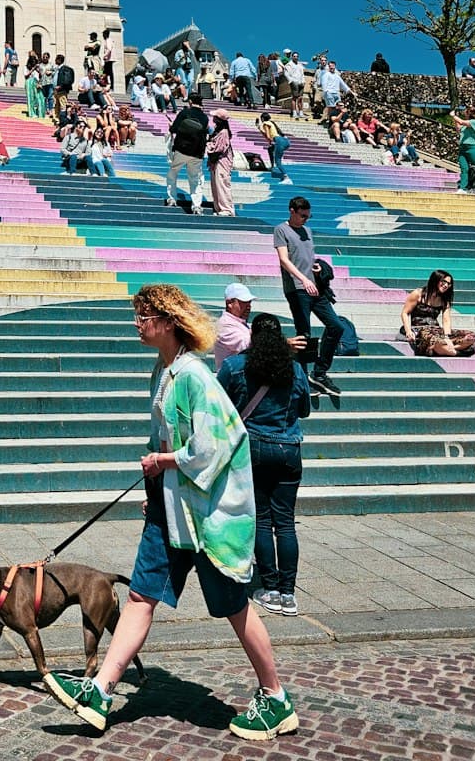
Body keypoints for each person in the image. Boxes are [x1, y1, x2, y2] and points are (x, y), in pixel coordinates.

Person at [43, 285, 298, 741]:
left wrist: (163, 463)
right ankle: (100, 691)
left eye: (144, 316)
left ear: (167, 322)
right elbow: (162, 435)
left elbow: (214, 444)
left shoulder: (195, 376)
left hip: (205, 518)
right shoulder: (163, 371)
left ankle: (275, 697)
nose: (137, 324)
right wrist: (157, 485)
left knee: (235, 606)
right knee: (141, 596)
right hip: (171, 510)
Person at [218, 314, 312, 618]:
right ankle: (288, 593)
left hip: (253, 448)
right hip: (289, 449)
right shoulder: (295, 369)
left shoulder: (235, 366)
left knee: (260, 519)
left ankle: (269, 588)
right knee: (285, 522)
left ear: (252, 336)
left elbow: (216, 407)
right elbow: (305, 409)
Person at [273, 197, 343, 398]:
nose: (305, 219)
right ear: (292, 211)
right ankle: (302, 379)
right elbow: (284, 260)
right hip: (297, 288)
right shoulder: (281, 230)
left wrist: (317, 268)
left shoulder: (307, 231)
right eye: (302, 215)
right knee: (303, 333)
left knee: (336, 326)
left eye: (308, 216)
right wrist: (303, 279)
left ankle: (319, 372)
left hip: (315, 287)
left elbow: (307, 256)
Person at [401, 271, 475, 356]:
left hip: (436, 330)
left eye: (449, 284)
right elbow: (405, 313)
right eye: (444, 282)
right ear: (435, 280)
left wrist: (447, 337)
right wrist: (408, 331)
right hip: (420, 331)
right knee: (437, 341)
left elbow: (446, 320)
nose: (446, 285)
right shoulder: (418, 293)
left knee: (471, 337)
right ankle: (455, 352)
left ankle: (446, 349)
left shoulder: (444, 300)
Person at [166, 92, 209, 215]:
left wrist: (171, 126)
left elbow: (174, 129)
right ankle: (196, 206)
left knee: (173, 172)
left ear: (190, 101)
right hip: (197, 153)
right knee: (195, 179)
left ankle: (172, 198)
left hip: (181, 149)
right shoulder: (204, 117)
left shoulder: (185, 113)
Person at [213, 282, 255, 369]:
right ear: (229, 303)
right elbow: (246, 345)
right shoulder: (224, 325)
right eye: (243, 302)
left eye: (249, 302)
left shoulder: (237, 323)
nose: (248, 306)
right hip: (232, 377)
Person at [206, 108, 236, 216]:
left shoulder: (223, 132)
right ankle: (219, 208)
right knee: (216, 185)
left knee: (222, 184)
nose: (213, 118)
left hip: (221, 161)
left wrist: (208, 145)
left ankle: (227, 209)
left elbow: (218, 149)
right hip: (216, 161)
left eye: (215, 117)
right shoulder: (218, 131)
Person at [452, 105, 475, 192]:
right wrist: (455, 119)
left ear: (469, 113)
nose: (464, 113)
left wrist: (453, 115)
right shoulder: (465, 126)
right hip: (463, 148)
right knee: (464, 168)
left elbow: (461, 121)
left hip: (473, 149)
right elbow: (458, 129)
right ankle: (463, 188)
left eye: (466, 112)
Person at [257, 111, 291, 182]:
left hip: (279, 141)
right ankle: (272, 167)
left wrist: (260, 129)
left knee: (278, 161)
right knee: (270, 149)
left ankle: (285, 176)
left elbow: (268, 136)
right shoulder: (272, 123)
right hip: (286, 141)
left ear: (262, 118)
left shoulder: (265, 124)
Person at [52, 54, 75, 122]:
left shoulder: (65, 69)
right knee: (56, 105)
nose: (55, 60)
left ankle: (63, 119)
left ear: (59, 60)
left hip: (62, 90)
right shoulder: (57, 68)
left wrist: (61, 86)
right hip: (56, 90)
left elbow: (66, 80)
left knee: (63, 105)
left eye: (56, 59)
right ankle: (57, 118)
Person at [283, 52, 306, 120]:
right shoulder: (289, 65)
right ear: (292, 57)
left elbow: (302, 73)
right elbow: (286, 74)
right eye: (294, 56)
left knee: (300, 98)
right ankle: (294, 112)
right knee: (294, 98)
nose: (296, 57)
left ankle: (301, 112)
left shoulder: (300, 64)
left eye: (297, 56)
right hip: (294, 81)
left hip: (300, 82)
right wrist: (291, 81)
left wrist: (303, 81)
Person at [24, 53, 46, 118]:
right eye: (33, 62)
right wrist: (33, 69)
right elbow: (26, 76)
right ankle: (32, 113)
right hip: (29, 82)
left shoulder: (37, 68)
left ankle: (40, 113)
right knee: (31, 98)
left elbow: (41, 76)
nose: (34, 63)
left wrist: (38, 71)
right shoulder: (26, 67)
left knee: (40, 98)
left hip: (36, 82)